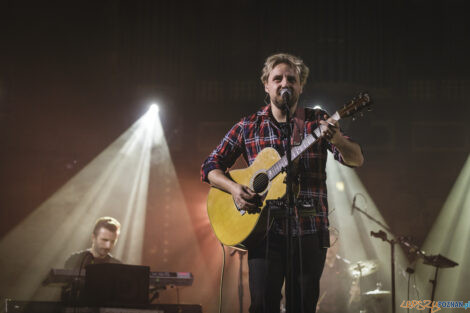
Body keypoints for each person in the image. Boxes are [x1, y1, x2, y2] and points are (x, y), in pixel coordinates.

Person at [201, 53, 364, 313]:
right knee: (263, 307)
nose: (284, 83)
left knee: (303, 307)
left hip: (309, 230)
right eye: (277, 78)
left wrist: (338, 141)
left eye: (292, 79)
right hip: (264, 234)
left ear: (301, 86)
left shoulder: (317, 121)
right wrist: (234, 188)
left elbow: (356, 160)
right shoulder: (248, 126)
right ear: (266, 84)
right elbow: (210, 165)